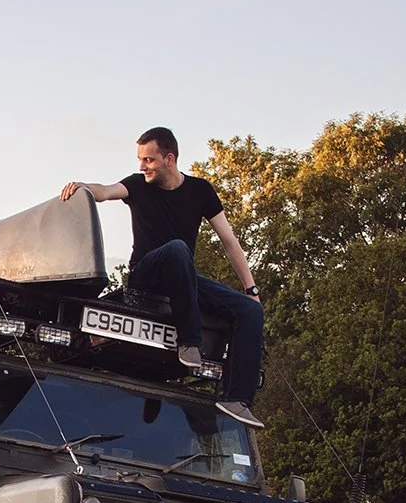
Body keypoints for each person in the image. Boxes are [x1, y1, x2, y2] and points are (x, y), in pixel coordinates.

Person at [60, 126, 265, 429]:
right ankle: (189, 342)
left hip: (182, 279)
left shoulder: (201, 191)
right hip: (146, 277)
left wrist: (251, 288)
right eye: (140, 159)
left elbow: (229, 241)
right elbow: (105, 191)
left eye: (149, 160)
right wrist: (83, 187)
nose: (142, 166)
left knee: (250, 311)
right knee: (177, 249)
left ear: (169, 159)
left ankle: (236, 399)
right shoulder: (137, 185)